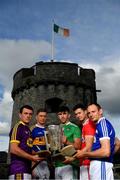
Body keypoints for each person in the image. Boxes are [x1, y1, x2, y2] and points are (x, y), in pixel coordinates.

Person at [74, 103, 115, 180]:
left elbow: (106, 152)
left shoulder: (103, 124)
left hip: (101, 164)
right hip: (98, 165)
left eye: (93, 111)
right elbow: (117, 144)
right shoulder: (99, 125)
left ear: (100, 111)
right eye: (89, 113)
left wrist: (84, 154)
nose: (91, 115)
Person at [9, 105, 41, 180]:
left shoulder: (29, 130)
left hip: (27, 170)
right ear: (20, 115)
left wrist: (42, 153)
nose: (28, 116)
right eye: (25, 113)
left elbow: (28, 150)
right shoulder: (18, 127)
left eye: (30, 114)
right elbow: (13, 149)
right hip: (18, 170)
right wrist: (32, 158)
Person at [54, 105, 81, 180]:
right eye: (60, 114)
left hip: (70, 164)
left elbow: (78, 146)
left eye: (64, 113)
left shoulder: (74, 127)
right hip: (57, 165)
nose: (62, 116)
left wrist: (67, 142)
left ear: (69, 115)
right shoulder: (56, 129)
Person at [73, 103, 96, 180]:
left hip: (88, 163)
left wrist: (73, 158)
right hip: (84, 162)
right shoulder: (84, 126)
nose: (78, 116)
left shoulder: (89, 124)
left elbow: (89, 147)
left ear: (85, 112)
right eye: (76, 114)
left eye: (79, 113)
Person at [31, 108, 50, 179]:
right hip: (35, 162)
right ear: (36, 117)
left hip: (46, 162)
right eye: (41, 116)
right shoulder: (32, 129)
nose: (43, 118)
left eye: (44, 116)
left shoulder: (48, 130)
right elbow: (27, 147)